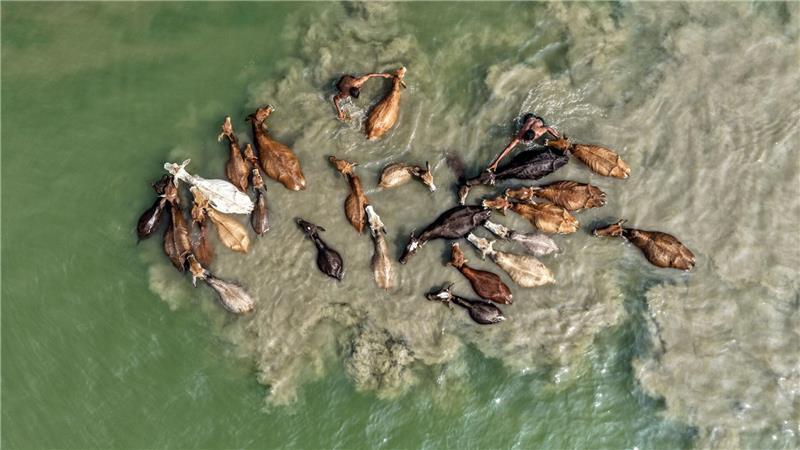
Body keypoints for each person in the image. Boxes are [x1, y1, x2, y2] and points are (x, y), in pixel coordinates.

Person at [486, 113, 560, 172]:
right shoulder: (521, 133)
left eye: (527, 141)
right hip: (529, 117)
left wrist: (558, 137)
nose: (525, 141)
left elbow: (548, 128)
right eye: (525, 139)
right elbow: (508, 148)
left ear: (534, 137)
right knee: (526, 119)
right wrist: (496, 162)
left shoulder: (539, 132)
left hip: (539, 121)